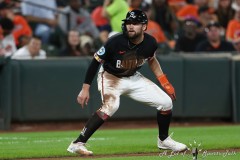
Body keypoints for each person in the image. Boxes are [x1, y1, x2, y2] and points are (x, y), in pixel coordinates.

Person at [67, 9, 187, 156]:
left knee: (166, 103)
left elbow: (152, 60)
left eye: (135, 23)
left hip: (133, 77)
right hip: (111, 76)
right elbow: (95, 62)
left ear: (144, 26)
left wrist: (164, 80)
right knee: (111, 106)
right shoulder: (115, 41)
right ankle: (77, 143)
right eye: (128, 23)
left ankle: (163, 140)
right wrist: (85, 88)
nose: (130, 26)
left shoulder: (150, 42)